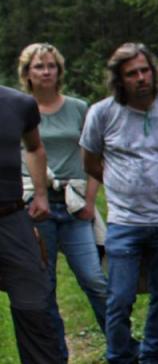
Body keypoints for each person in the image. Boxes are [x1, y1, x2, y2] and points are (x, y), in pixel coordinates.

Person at [80, 42, 158, 364]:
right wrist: (121, 182)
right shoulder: (102, 113)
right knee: (119, 299)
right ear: (119, 79)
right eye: (132, 74)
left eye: (145, 70)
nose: (141, 78)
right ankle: (119, 355)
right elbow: (90, 162)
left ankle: (151, 355)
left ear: (153, 72)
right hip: (123, 222)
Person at [17, 43, 109, 362]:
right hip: (35, 206)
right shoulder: (21, 107)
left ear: (59, 71)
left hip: (74, 204)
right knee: (46, 287)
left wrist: (90, 202)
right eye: (39, 66)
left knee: (94, 279)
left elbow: (97, 156)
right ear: (27, 72)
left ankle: (121, 346)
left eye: (51, 66)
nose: (46, 71)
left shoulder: (78, 108)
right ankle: (56, 354)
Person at [0, 84, 60, 363]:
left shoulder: (19, 103)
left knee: (34, 308)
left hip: (11, 218)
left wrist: (40, 194)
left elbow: (34, 147)